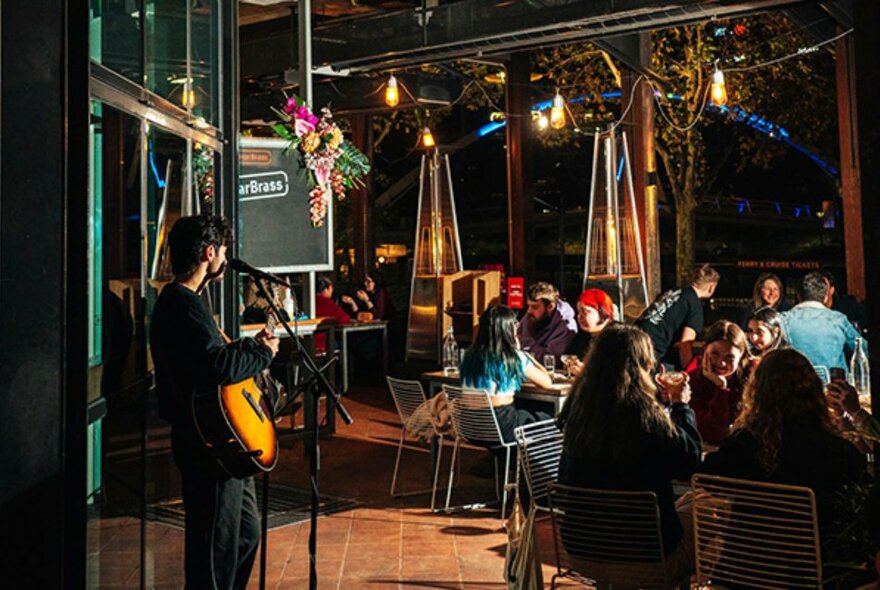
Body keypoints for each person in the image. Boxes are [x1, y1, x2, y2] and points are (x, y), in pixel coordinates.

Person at [149, 215, 280, 590]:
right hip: (206, 445)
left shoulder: (189, 303)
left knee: (245, 533)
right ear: (209, 252)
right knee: (213, 548)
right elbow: (218, 365)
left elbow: (211, 358)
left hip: (224, 442)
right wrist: (262, 353)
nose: (225, 257)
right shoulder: (180, 304)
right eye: (223, 250)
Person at [557, 324, 701, 586]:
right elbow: (689, 463)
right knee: (707, 508)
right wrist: (682, 407)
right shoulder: (645, 417)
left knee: (683, 503)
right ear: (644, 364)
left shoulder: (578, 412)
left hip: (582, 553)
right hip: (647, 556)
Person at [700, 348, 866, 546]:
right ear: (813, 391)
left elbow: (709, 480)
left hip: (746, 566)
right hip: (815, 566)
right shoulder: (836, 450)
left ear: (758, 393)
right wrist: (845, 419)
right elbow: (860, 491)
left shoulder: (743, 443)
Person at [459, 305, 554, 445]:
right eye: (515, 323)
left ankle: (503, 463)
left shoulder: (469, 355)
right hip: (500, 425)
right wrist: (528, 357)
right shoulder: (514, 357)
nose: (517, 326)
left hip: (469, 426)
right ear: (507, 328)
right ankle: (536, 466)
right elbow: (547, 382)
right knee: (548, 419)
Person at [635, 264, 720, 370]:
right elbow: (685, 344)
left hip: (634, 337)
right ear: (711, 287)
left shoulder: (674, 292)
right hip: (650, 349)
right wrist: (690, 374)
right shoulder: (694, 304)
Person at [779, 272, 862, 371]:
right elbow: (862, 350)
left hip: (794, 383)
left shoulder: (782, 320)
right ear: (825, 298)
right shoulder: (838, 319)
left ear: (798, 296)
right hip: (834, 384)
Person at [686, 320, 750, 445]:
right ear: (705, 350)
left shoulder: (753, 376)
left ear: (741, 355)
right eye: (715, 354)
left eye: (729, 357)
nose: (721, 363)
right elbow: (712, 434)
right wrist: (720, 387)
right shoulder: (693, 381)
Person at [517, 281, 576, 368]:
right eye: (528, 306)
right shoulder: (532, 316)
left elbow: (550, 360)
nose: (529, 311)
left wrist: (526, 343)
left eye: (534, 307)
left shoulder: (565, 325)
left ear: (550, 307)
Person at [564, 288, 615, 376]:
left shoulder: (619, 337)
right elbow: (569, 356)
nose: (579, 316)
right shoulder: (583, 335)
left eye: (585, 312)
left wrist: (587, 372)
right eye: (578, 312)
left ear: (603, 311)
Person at [314, 275, 351, 354]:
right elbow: (345, 319)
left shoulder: (310, 300)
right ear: (327, 289)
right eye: (331, 289)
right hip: (322, 344)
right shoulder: (327, 302)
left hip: (309, 343)